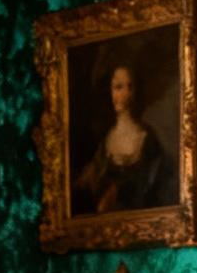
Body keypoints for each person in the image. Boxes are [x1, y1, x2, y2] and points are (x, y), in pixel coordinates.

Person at [74, 63, 177, 212]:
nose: (125, 94)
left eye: (130, 87)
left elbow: (153, 191)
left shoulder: (147, 139)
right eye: (118, 87)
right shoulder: (106, 140)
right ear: (109, 92)